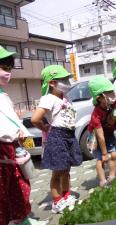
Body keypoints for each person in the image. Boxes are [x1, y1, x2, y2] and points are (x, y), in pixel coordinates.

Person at [0, 46, 47, 225]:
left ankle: (23, 219)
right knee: (3, 194)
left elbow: (13, 121)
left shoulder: (3, 95)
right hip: (3, 150)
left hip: (14, 148)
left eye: (9, 69)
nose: (8, 73)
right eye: (4, 68)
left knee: (20, 186)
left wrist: (23, 138)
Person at [31, 65, 82, 214]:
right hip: (58, 136)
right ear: (52, 83)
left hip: (68, 136)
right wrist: (45, 127)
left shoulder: (65, 97)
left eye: (67, 78)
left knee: (66, 170)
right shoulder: (48, 98)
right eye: (63, 79)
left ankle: (66, 196)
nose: (67, 82)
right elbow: (35, 118)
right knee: (57, 172)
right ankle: (57, 201)